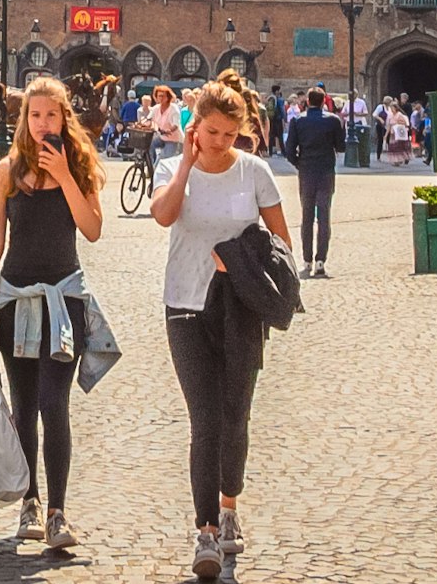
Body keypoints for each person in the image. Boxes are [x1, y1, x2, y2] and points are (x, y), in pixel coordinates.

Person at [151, 81, 290, 579]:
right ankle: (206, 530)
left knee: (236, 418)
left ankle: (229, 505)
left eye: (231, 134)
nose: (220, 141)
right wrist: (186, 164)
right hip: (185, 306)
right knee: (205, 420)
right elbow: (163, 214)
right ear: (195, 127)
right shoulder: (173, 169)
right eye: (212, 131)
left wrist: (241, 263)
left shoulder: (254, 172)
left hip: (240, 310)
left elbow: (281, 247)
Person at [0, 75, 111, 555]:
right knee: (24, 406)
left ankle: (57, 512)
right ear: (24, 121)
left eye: (51, 115)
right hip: (15, 299)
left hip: (63, 301)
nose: (43, 123)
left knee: (55, 403)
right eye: (35, 115)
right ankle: (28, 502)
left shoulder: (81, 167)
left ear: (63, 118)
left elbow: (91, 229)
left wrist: (66, 176)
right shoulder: (8, 171)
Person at [280, 91, 347, 279]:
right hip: (326, 171)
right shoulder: (333, 120)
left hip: (306, 171)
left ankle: (307, 259)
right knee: (324, 215)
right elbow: (341, 146)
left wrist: (299, 164)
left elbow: (289, 150)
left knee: (306, 215)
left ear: (307, 101)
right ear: (323, 101)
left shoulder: (298, 121)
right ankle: (320, 261)